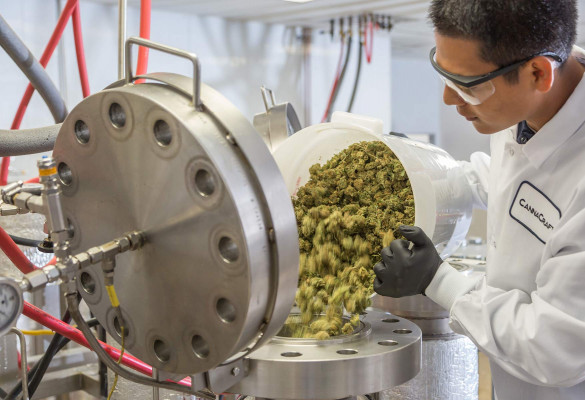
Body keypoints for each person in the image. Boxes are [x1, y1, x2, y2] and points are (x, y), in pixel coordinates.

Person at [373, 1, 585, 399]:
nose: (449, 101)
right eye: (444, 74)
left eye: (466, 85)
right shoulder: (524, 106)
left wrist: (438, 281)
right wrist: (421, 171)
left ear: (539, 73)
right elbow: (506, 181)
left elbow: (554, 350)